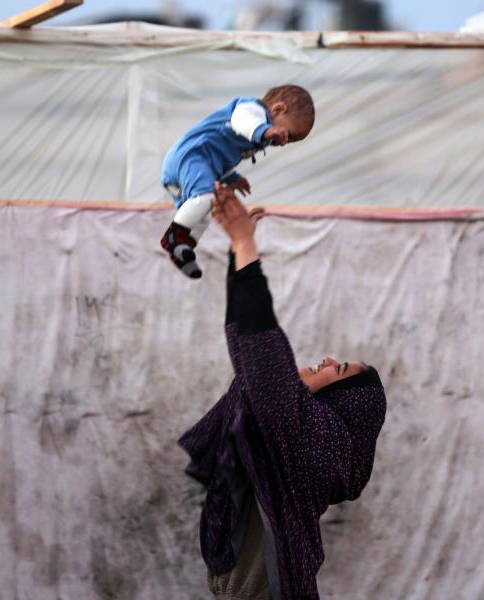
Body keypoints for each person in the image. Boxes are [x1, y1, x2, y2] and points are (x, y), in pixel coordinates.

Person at [178, 183, 387, 599]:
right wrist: (240, 256)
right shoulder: (303, 438)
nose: (327, 360)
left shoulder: (319, 441)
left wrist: (244, 243)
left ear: (342, 403)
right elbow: (248, 351)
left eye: (340, 368)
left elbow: (263, 355)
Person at [160, 85, 315, 279]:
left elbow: (221, 158)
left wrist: (233, 178)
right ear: (278, 110)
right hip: (190, 156)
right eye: (289, 135)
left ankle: (183, 250)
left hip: (201, 162)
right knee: (206, 197)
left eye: (290, 141)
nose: (284, 143)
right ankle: (173, 238)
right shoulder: (250, 108)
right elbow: (242, 121)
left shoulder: (256, 138)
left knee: (207, 211)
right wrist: (265, 131)